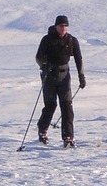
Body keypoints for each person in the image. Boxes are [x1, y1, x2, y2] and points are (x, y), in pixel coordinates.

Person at [34, 15, 85, 147]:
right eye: (61, 26)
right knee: (51, 105)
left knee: (67, 106)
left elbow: (78, 59)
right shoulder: (47, 39)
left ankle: (68, 136)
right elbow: (38, 57)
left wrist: (81, 76)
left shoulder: (72, 40)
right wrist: (44, 66)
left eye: (65, 26)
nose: (63, 28)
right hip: (49, 76)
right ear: (56, 26)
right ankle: (42, 129)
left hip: (65, 76)